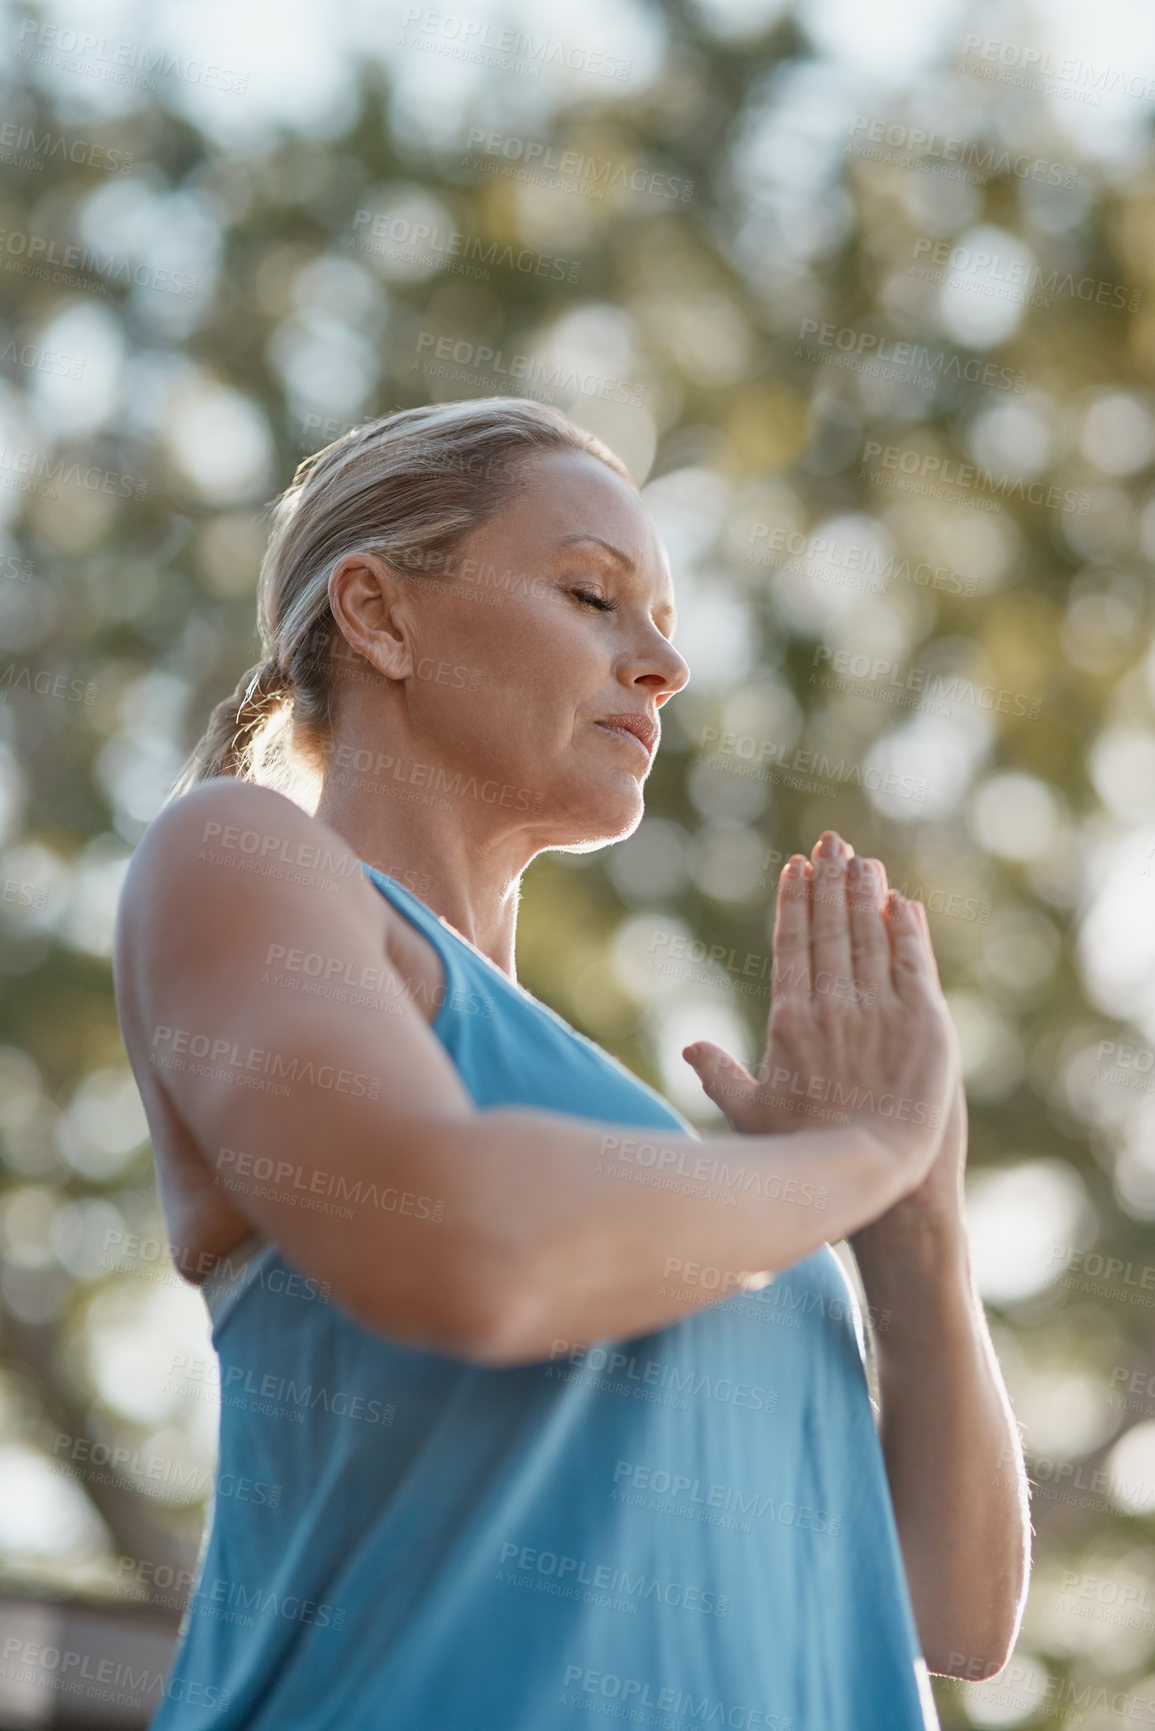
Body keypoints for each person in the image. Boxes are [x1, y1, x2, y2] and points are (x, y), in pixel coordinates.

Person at [113, 398, 1030, 1730]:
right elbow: (466, 1245)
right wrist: (854, 1155)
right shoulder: (238, 859)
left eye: (662, 617)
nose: (662, 664)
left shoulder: (668, 1176)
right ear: (378, 617)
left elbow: (952, 1617)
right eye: (594, 595)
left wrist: (913, 1222)